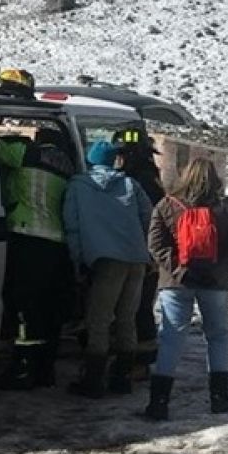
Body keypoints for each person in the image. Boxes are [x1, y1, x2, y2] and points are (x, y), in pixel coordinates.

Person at [143, 159, 228, 421]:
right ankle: (219, 397)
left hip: (177, 283)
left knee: (172, 337)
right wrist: (218, 272)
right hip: (216, 284)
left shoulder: (167, 205)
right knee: (217, 337)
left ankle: (159, 401)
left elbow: (155, 244)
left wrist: (179, 270)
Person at [63, 141, 152, 399]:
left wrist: (78, 260)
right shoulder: (130, 184)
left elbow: (72, 226)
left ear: (90, 160)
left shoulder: (78, 186)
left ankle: (93, 380)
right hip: (136, 258)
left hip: (105, 261)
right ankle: (121, 378)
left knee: (99, 320)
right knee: (126, 318)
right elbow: (148, 216)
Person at [0, 128, 76, 390]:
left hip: (28, 237)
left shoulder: (27, 153)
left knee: (25, 305)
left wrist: (6, 138)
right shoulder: (68, 165)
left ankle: (23, 368)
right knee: (49, 309)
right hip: (57, 244)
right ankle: (45, 370)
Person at [112, 127, 166, 380]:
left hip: (142, 255)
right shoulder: (150, 177)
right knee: (139, 308)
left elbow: (149, 221)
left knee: (138, 308)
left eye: (122, 155)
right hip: (144, 254)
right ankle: (138, 360)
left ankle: (140, 363)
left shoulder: (139, 181)